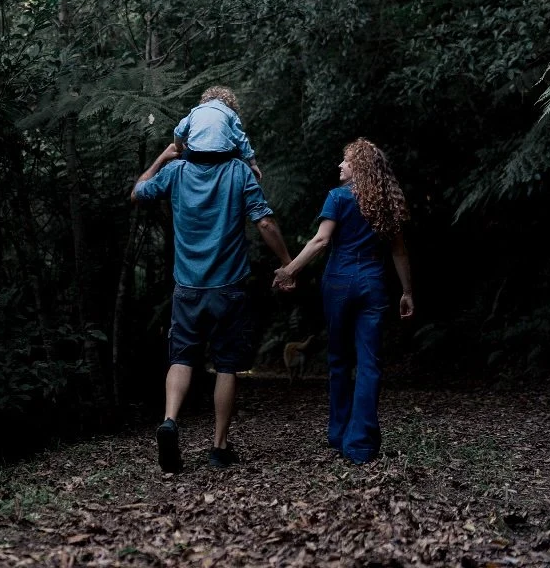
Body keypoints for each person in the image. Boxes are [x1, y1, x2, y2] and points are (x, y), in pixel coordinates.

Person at [131, 142, 292, 472]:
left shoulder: (176, 171)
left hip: (187, 288)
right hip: (228, 288)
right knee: (226, 365)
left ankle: (170, 421)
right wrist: (287, 262)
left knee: (181, 358)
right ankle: (219, 447)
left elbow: (138, 191)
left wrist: (163, 156)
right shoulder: (238, 172)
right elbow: (264, 223)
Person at [272, 138, 413, 464]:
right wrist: (407, 292)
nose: (340, 165)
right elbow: (399, 252)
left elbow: (321, 241)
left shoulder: (337, 198)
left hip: (338, 283)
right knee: (369, 364)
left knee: (338, 360)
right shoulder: (386, 203)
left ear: (358, 166)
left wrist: (288, 271)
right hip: (373, 284)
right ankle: (361, 445)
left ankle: (338, 434)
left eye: (346, 161)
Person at [172, 86, 263, 183]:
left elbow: (179, 132)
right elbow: (241, 139)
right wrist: (253, 164)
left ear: (205, 99)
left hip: (196, 155)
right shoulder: (230, 113)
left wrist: (179, 148)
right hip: (221, 156)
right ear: (230, 103)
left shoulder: (195, 110)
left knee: (185, 155)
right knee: (237, 153)